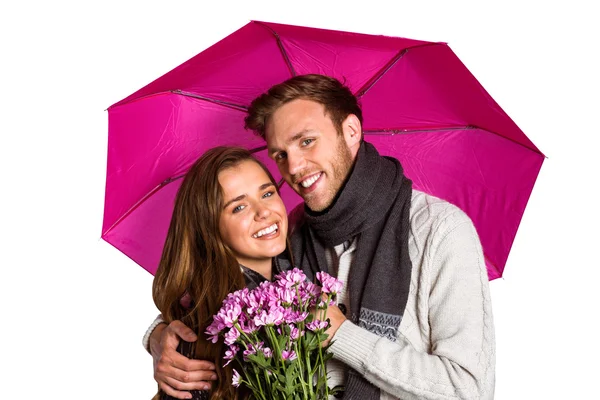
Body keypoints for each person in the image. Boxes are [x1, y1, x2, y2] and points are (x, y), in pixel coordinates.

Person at [144, 74, 496, 399]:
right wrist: (159, 337)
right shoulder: (292, 233)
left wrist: (343, 335)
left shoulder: (438, 231)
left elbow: (468, 389)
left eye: (307, 142)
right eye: (281, 154)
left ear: (352, 131)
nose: (294, 168)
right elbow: (230, 294)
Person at [150, 146, 291, 399]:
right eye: (239, 207)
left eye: (268, 193)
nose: (264, 212)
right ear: (210, 228)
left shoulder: (303, 268)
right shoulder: (202, 334)